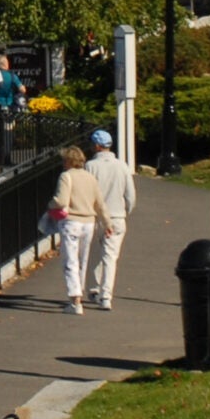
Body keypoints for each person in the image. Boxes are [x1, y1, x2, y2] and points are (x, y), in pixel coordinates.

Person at [46, 145, 109, 315]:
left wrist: (50, 205)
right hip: (88, 222)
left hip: (71, 222)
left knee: (70, 261)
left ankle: (75, 300)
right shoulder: (90, 178)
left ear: (68, 160)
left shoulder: (66, 176)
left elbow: (61, 201)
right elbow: (100, 204)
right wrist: (107, 223)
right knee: (82, 260)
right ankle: (78, 295)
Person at [83, 128, 137, 310]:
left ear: (97, 146)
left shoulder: (90, 166)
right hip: (116, 216)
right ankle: (106, 295)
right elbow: (130, 195)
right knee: (110, 257)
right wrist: (125, 210)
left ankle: (94, 287)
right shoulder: (122, 166)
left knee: (94, 253)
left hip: (96, 216)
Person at [0, 53, 24, 168]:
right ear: (5, 64)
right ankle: (6, 157)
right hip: (8, 106)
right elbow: (22, 89)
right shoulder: (11, 76)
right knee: (7, 133)